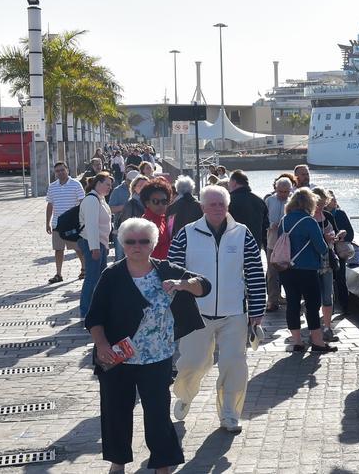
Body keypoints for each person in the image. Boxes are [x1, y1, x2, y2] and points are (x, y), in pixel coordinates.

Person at [85, 217, 210, 473]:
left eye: (143, 241)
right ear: (123, 244)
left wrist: (182, 285)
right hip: (119, 357)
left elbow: (204, 286)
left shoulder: (165, 270)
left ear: (153, 244)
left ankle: (162, 463)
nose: (137, 246)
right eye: (131, 241)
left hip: (157, 357)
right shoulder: (112, 275)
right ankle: (117, 462)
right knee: (116, 411)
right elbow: (94, 317)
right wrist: (101, 345)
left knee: (158, 414)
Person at [168, 185, 266, 435]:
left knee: (234, 365)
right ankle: (186, 394)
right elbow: (173, 271)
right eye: (212, 204)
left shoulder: (242, 234)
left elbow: (255, 272)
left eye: (221, 204)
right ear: (202, 207)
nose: (217, 208)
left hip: (234, 313)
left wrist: (256, 311)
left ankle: (230, 413)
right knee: (192, 363)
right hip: (196, 313)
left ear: (228, 206)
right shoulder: (186, 233)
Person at [278, 188, 337, 353]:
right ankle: (317, 342)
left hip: (287, 268)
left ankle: (297, 342)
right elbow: (321, 248)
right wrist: (326, 241)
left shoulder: (284, 220)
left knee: (293, 303)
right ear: (309, 203)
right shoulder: (309, 221)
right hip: (307, 269)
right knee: (312, 305)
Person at [309, 188, 344, 343]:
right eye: (318, 204)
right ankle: (314, 329)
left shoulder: (328, 216)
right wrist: (322, 237)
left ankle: (327, 328)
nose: (321, 207)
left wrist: (338, 235)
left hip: (327, 260)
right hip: (311, 262)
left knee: (328, 296)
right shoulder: (307, 217)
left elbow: (335, 234)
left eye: (323, 204)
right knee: (312, 298)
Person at [79, 172, 115, 318]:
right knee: (92, 278)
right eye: (107, 184)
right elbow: (91, 225)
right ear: (98, 183)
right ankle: (86, 311)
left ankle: (97, 308)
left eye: (110, 185)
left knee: (100, 278)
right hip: (91, 243)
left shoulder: (101, 199)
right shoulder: (92, 200)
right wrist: (94, 248)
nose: (109, 188)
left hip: (100, 242)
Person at [46, 161, 85, 284]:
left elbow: (82, 202)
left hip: (72, 223)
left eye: (62, 170)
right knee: (58, 249)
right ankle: (58, 274)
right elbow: (50, 204)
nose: (60, 173)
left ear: (67, 170)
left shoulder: (75, 184)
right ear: (55, 172)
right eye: (57, 171)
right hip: (57, 223)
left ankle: (84, 269)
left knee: (77, 248)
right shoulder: (52, 186)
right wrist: (47, 222)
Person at [264, 177, 293, 312]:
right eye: (281, 191)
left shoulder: (293, 201)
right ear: (276, 189)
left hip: (289, 243)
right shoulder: (269, 200)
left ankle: (292, 298)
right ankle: (272, 300)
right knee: (272, 273)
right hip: (272, 242)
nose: (283, 194)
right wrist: (271, 225)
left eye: (286, 192)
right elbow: (263, 219)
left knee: (290, 272)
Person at [324, 192, 356, 312]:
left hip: (339, 251)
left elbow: (350, 233)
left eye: (335, 198)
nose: (335, 201)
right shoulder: (321, 215)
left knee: (341, 278)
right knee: (327, 281)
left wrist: (340, 237)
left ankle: (345, 306)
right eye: (332, 199)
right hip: (326, 251)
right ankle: (329, 308)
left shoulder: (340, 214)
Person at [227, 170, 269, 250]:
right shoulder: (259, 200)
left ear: (234, 182)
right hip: (254, 245)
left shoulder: (228, 201)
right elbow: (265, 226)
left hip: (232, 246)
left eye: (229, 182)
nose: (228, 185)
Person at [139, 179, 174, 261]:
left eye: (164, 201)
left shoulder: (163, 220)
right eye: (155, 201)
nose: (161, 205)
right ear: (147, 203)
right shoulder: (145, 223)